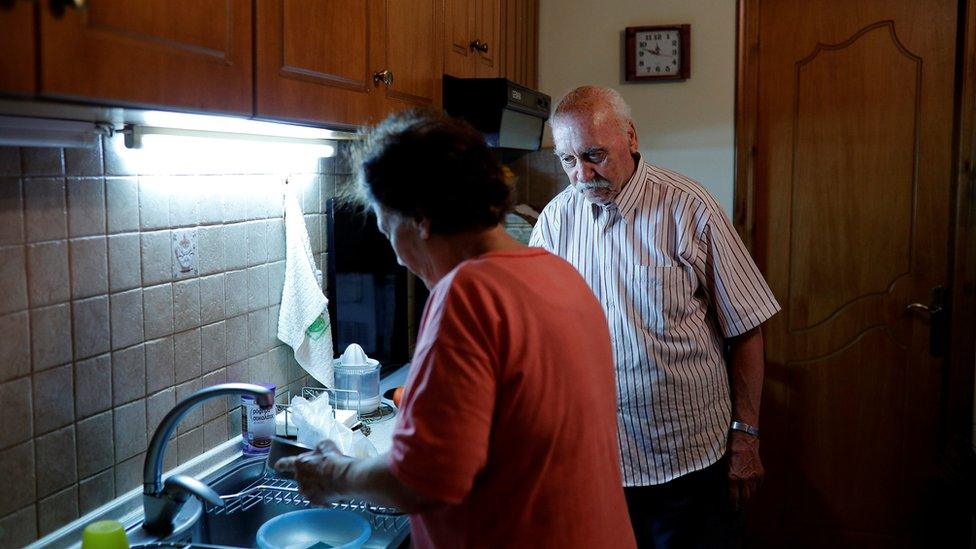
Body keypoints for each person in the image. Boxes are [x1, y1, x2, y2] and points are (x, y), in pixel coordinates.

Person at [276, 109, 636, 549]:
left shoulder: (468, 294)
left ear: (421, 219)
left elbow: (425, 479)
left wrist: (333, 474)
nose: (396, 255)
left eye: (388, 229)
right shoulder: (560, 275)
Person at [529, 85, 781, 547]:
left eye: (594, 155)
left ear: (631, 138)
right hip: (594, 462)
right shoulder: (555, 220)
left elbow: (747, 326)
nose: (582, 175)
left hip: (686, 459)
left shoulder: (689, 208)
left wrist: (746, 436)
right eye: (567, 161)